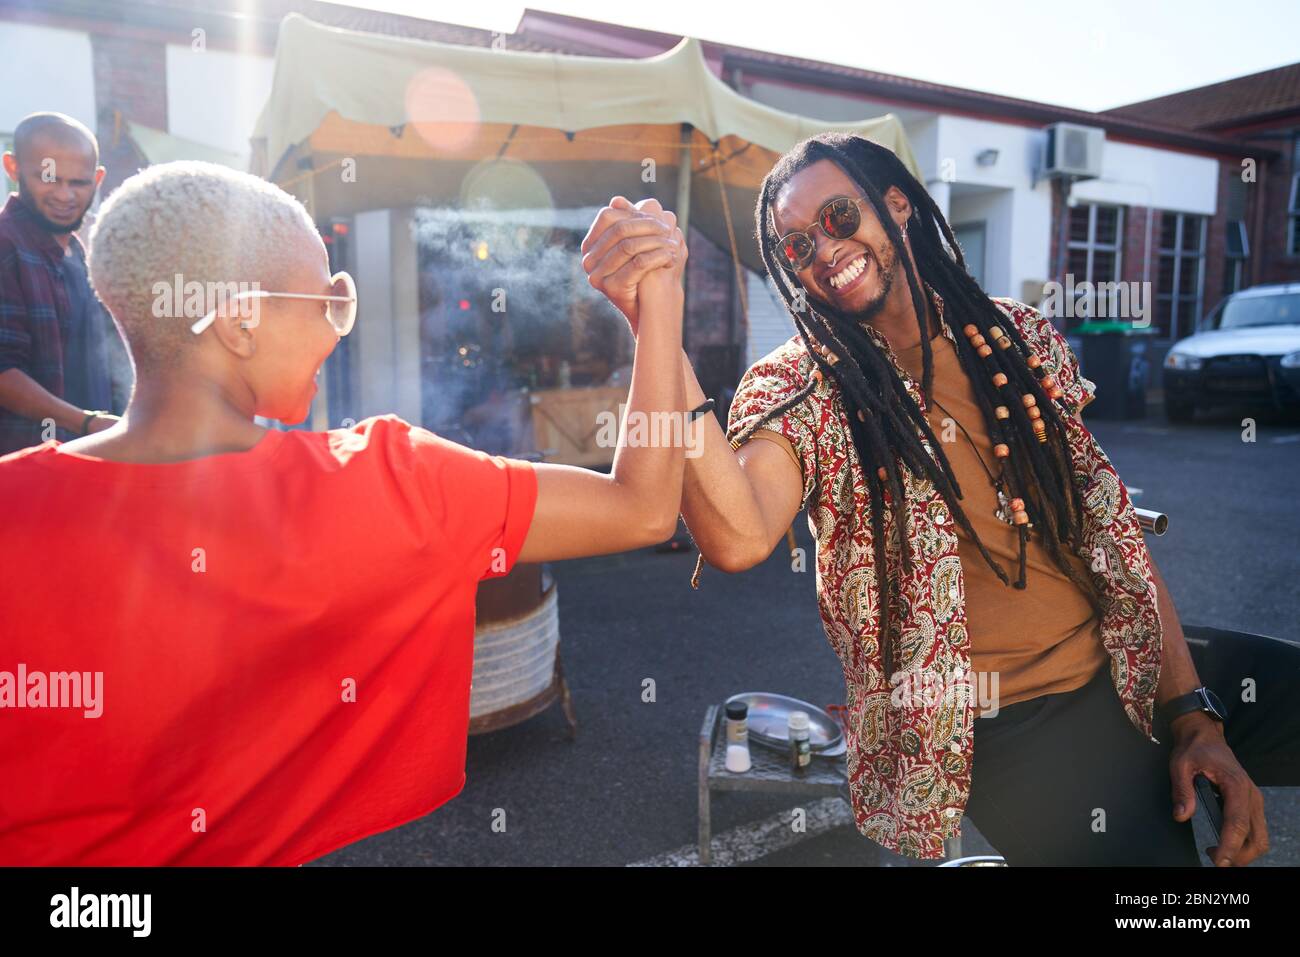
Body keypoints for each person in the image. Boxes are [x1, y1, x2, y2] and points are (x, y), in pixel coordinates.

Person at [583, 133, 1281, 867]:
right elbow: (740, 534)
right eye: (795, 247)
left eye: (840, 216)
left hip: (1129, 649)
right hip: (1014, 719)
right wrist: (655, 317)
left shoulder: (1013, 336)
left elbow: (1117, 542)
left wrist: (1193, 713)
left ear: (897, 205)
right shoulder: (805, 388)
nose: (823, 248)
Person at [0, 161, 691, 865]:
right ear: (241, 321)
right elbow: (641, 507)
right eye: (325, 301)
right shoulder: (389, 484)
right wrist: (656, 304)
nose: (336, 333)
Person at [0, 111, 128, 454]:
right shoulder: (5, 245)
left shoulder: (81, 254)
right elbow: (3, 371)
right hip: (24, 473)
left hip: (87, 463)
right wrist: (86, 422)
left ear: (98, 179)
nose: (64, 195)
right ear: (12, 168)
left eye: (78, 183)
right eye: (50, 179)